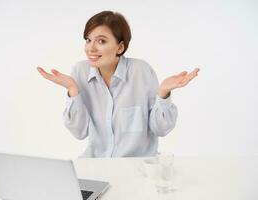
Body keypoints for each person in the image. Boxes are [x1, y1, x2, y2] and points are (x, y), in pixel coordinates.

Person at [37, 11, 199, 157]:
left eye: (101, 41)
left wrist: (163, 93)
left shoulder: (141, 71)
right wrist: (73, 90)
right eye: (88, 40)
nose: (90, 48)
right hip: (96, 166)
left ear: (120, 47)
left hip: (137, 169)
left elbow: (161, 129)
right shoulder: (80, 71)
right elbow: (79, 132)